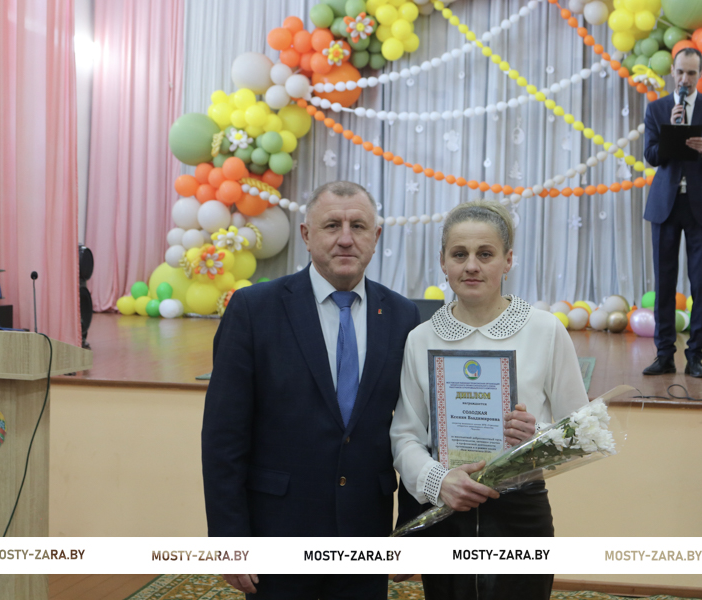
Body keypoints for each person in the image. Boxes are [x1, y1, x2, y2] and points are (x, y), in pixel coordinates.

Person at [202, 181, 421, 599]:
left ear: (376, 237)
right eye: (331, 225)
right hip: (278, 529)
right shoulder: (253, 310)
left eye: (358, 226)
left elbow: (415, 428)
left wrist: (412, 531)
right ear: (306, 235)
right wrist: (229, 538)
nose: (345, 238)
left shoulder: (401, 315)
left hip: (366, 531)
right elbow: (223, 436)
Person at [390, 200, 590, 599]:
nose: (471, 266)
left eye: (485, 254)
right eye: (459, 254)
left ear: (508, 260)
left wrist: (537, 436)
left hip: (521, 513)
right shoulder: (421, 339)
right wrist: (439, 481)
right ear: (443, 262)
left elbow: (582, 432)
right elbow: (405, 434)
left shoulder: (545, 331)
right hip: (448, 511)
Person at [642, 47, 702, 379]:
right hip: (665, 206)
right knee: (664, 284)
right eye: (680, 71)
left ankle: (696, 356)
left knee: (701, 285)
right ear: (673, 72)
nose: (685, 78)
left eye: (692, 73)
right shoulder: (657, 108)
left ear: (700, 74)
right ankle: (664, 355)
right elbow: (651, 156)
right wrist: (672, 128)